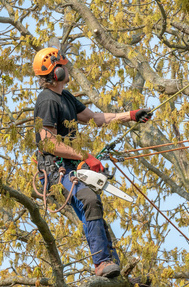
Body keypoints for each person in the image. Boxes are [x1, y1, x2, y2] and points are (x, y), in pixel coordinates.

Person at [33, 47, 152, 278]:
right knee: (88, 199)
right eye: (64, 66)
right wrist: (84, 156)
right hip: (54, 172)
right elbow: (47, 143)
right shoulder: (47, 100)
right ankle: (101, 263)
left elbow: (95, 118)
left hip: (69, 169)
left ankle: (114, 271)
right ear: (56, 71)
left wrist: (130, 115)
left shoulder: (64, 97)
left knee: (93, 206)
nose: (68, 69)